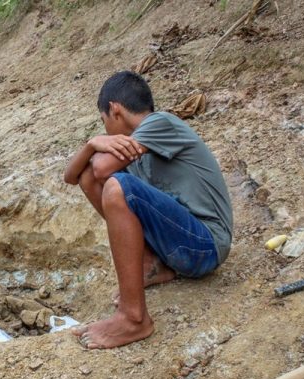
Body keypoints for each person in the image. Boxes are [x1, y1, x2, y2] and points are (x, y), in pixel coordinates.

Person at [63, 71, 233, 349]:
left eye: (102, 120)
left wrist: (98, 149)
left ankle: (133, 318)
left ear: (114, 110)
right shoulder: (133, 148)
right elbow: (73, 177)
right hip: (182, 247)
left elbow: (103, 168)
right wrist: (91, 143)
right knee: (90, 178)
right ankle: (152, 265)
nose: (104, 129)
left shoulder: (160, 123)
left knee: (118, 186)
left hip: (206, 245)